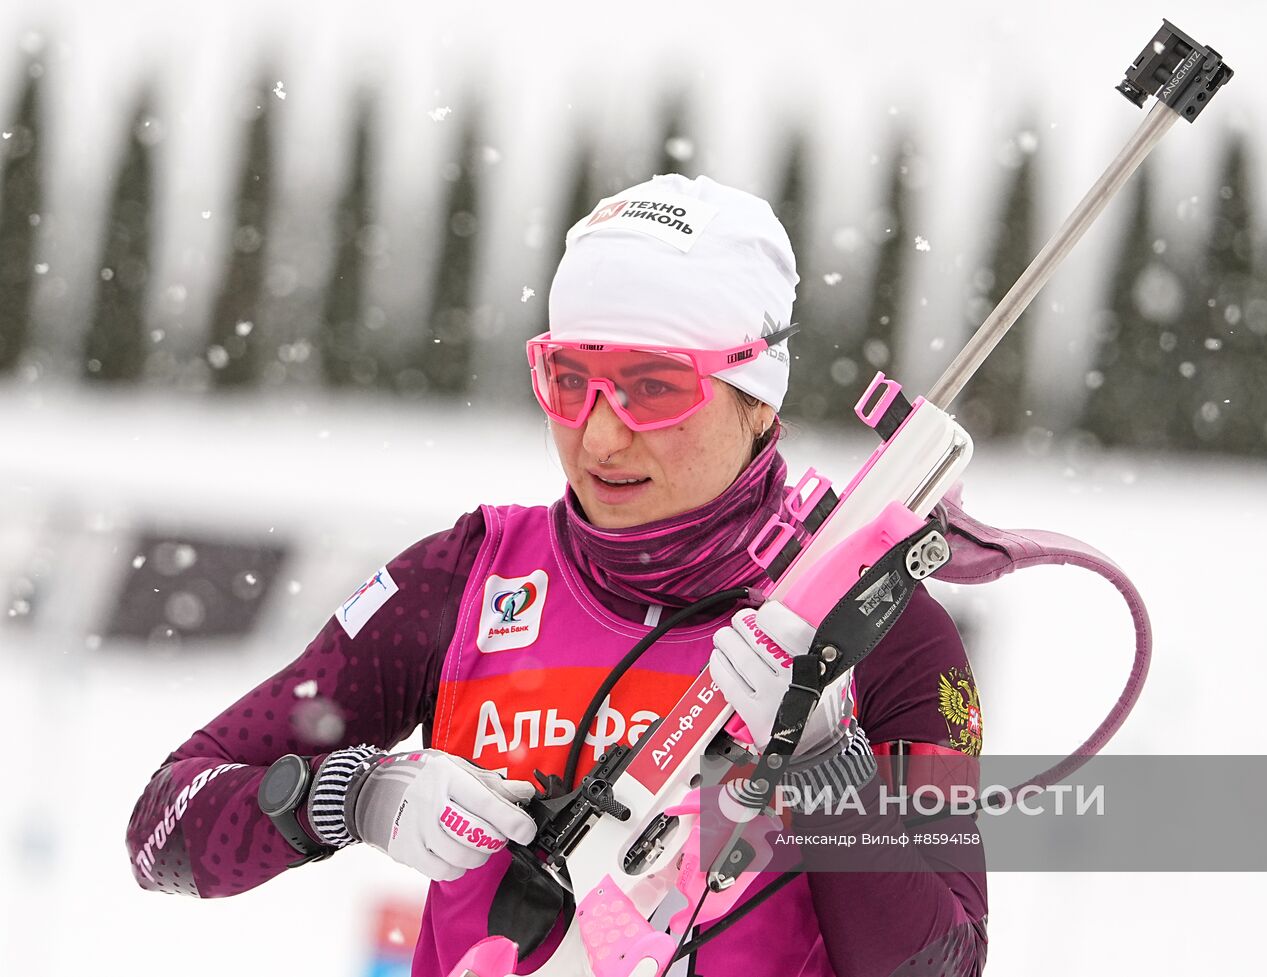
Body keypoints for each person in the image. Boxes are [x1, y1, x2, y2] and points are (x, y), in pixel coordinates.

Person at [126, 174, 988, 976]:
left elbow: (945, 962)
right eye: (571, 379)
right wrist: (350, 796)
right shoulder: (461, 582)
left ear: (757, 396)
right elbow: (162, 825)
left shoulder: (881, 628)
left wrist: (825, 766)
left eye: (652, 389)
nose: (601, 437)